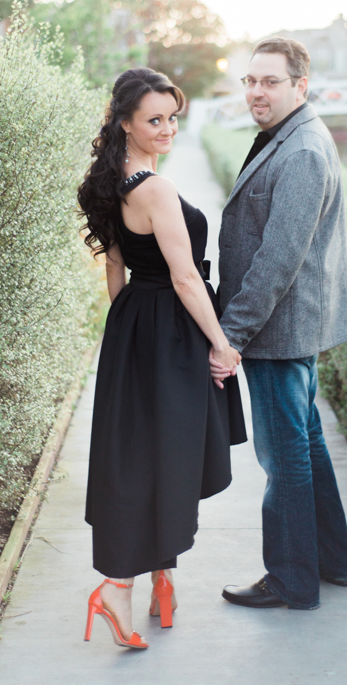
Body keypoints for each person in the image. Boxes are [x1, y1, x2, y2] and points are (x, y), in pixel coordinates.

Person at [77, 68, 246, 649]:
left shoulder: (112, 181)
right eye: (155, 119)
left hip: (135, 327)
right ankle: (121, 588)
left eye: (173, 117)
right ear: (125, 121)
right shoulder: (154, 189)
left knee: (146, 454)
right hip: (171, 330)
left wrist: (129, 333)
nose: (168, 127)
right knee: (162, 458)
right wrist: (220, 345)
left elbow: (116, 269)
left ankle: (162, 582)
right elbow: (185, 278)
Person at [213, 37, 347, 611]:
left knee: (284, 458)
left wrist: (232, 336)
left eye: (269, 82)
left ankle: (293, 580)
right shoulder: (293, 137)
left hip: (279, 331)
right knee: (307, 445)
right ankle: (335, 561)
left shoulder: (302, 150)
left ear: (300, 85)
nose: (256, 91)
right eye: (250, 81)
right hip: (293, 326)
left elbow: (279, 259)